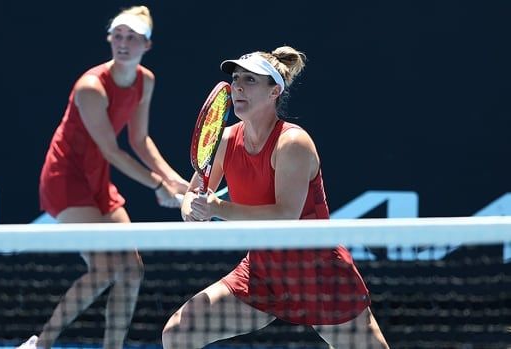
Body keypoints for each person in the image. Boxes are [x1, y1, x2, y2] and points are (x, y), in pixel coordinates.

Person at [162, 47, 390, 349]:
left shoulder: (292, 143)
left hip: (318, 275)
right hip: (262, 274)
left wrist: (217, 208)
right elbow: (192, 194)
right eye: (236, 78)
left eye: (251, 80)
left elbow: (285, 216)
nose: (238, 86)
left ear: (274, 92)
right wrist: (192, 208)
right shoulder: (225, 140)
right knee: (178, 333)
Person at [18, 5, 189, 349]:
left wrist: (176, 181)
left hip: (98, 180)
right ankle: (41, 344)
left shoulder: (145, 81)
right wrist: (158, 186)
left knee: (131, 268)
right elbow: (112, 151)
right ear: (111, 39)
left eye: (132, 38)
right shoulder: (91, 87)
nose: (123, 43)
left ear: (146, 45)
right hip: (65, 178)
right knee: (105, 267)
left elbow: (139, 141)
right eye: (118, 36)